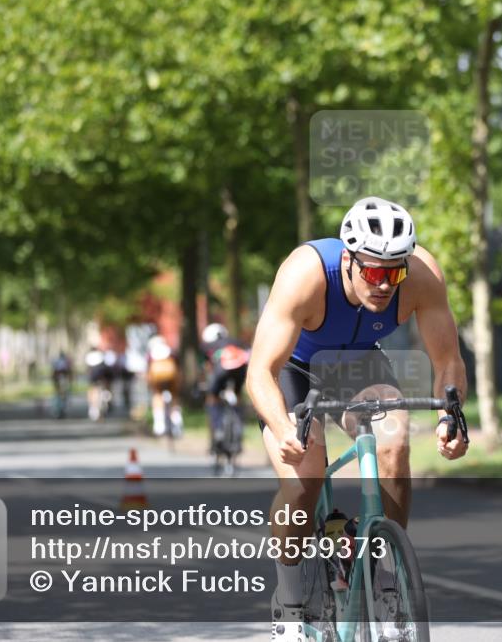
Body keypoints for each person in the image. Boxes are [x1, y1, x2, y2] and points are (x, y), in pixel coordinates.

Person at [246, 196, 469, 641]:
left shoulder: (420, 276)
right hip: (295, 368)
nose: (384, 284)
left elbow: (448, 361)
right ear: (348, 259)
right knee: (303, 481)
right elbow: (260, 372)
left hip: (358, 365)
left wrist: (453, 417)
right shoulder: (306, 274)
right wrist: (283, 426)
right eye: (372, 271)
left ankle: (388, 577)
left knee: (394, 442)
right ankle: (290, 600)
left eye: (394, 272)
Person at [201, 322, 250, 473]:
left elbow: (208, 368)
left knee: (212, 399)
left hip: (221, 370)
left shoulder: (208, 346)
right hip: (240, 368)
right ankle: (239, 424)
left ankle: (217, 428)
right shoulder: (236, 341)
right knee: (237, 395)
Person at [146, 335, 183, 438]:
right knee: (174, 398)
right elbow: (178, 365)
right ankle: (177, 424)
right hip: (172, 375)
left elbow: (148, 370)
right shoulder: (170, 351)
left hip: (157, 376)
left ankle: (159, 424)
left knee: (157, 395)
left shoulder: (151, 354)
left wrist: (149, 383)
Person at [50, 351, 72, 418]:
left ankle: (61, 409)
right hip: (60, 380)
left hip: (60, 380)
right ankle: (59, 409)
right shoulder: (64, 362)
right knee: (61, 395)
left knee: (61, 394)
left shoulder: (59, 362)